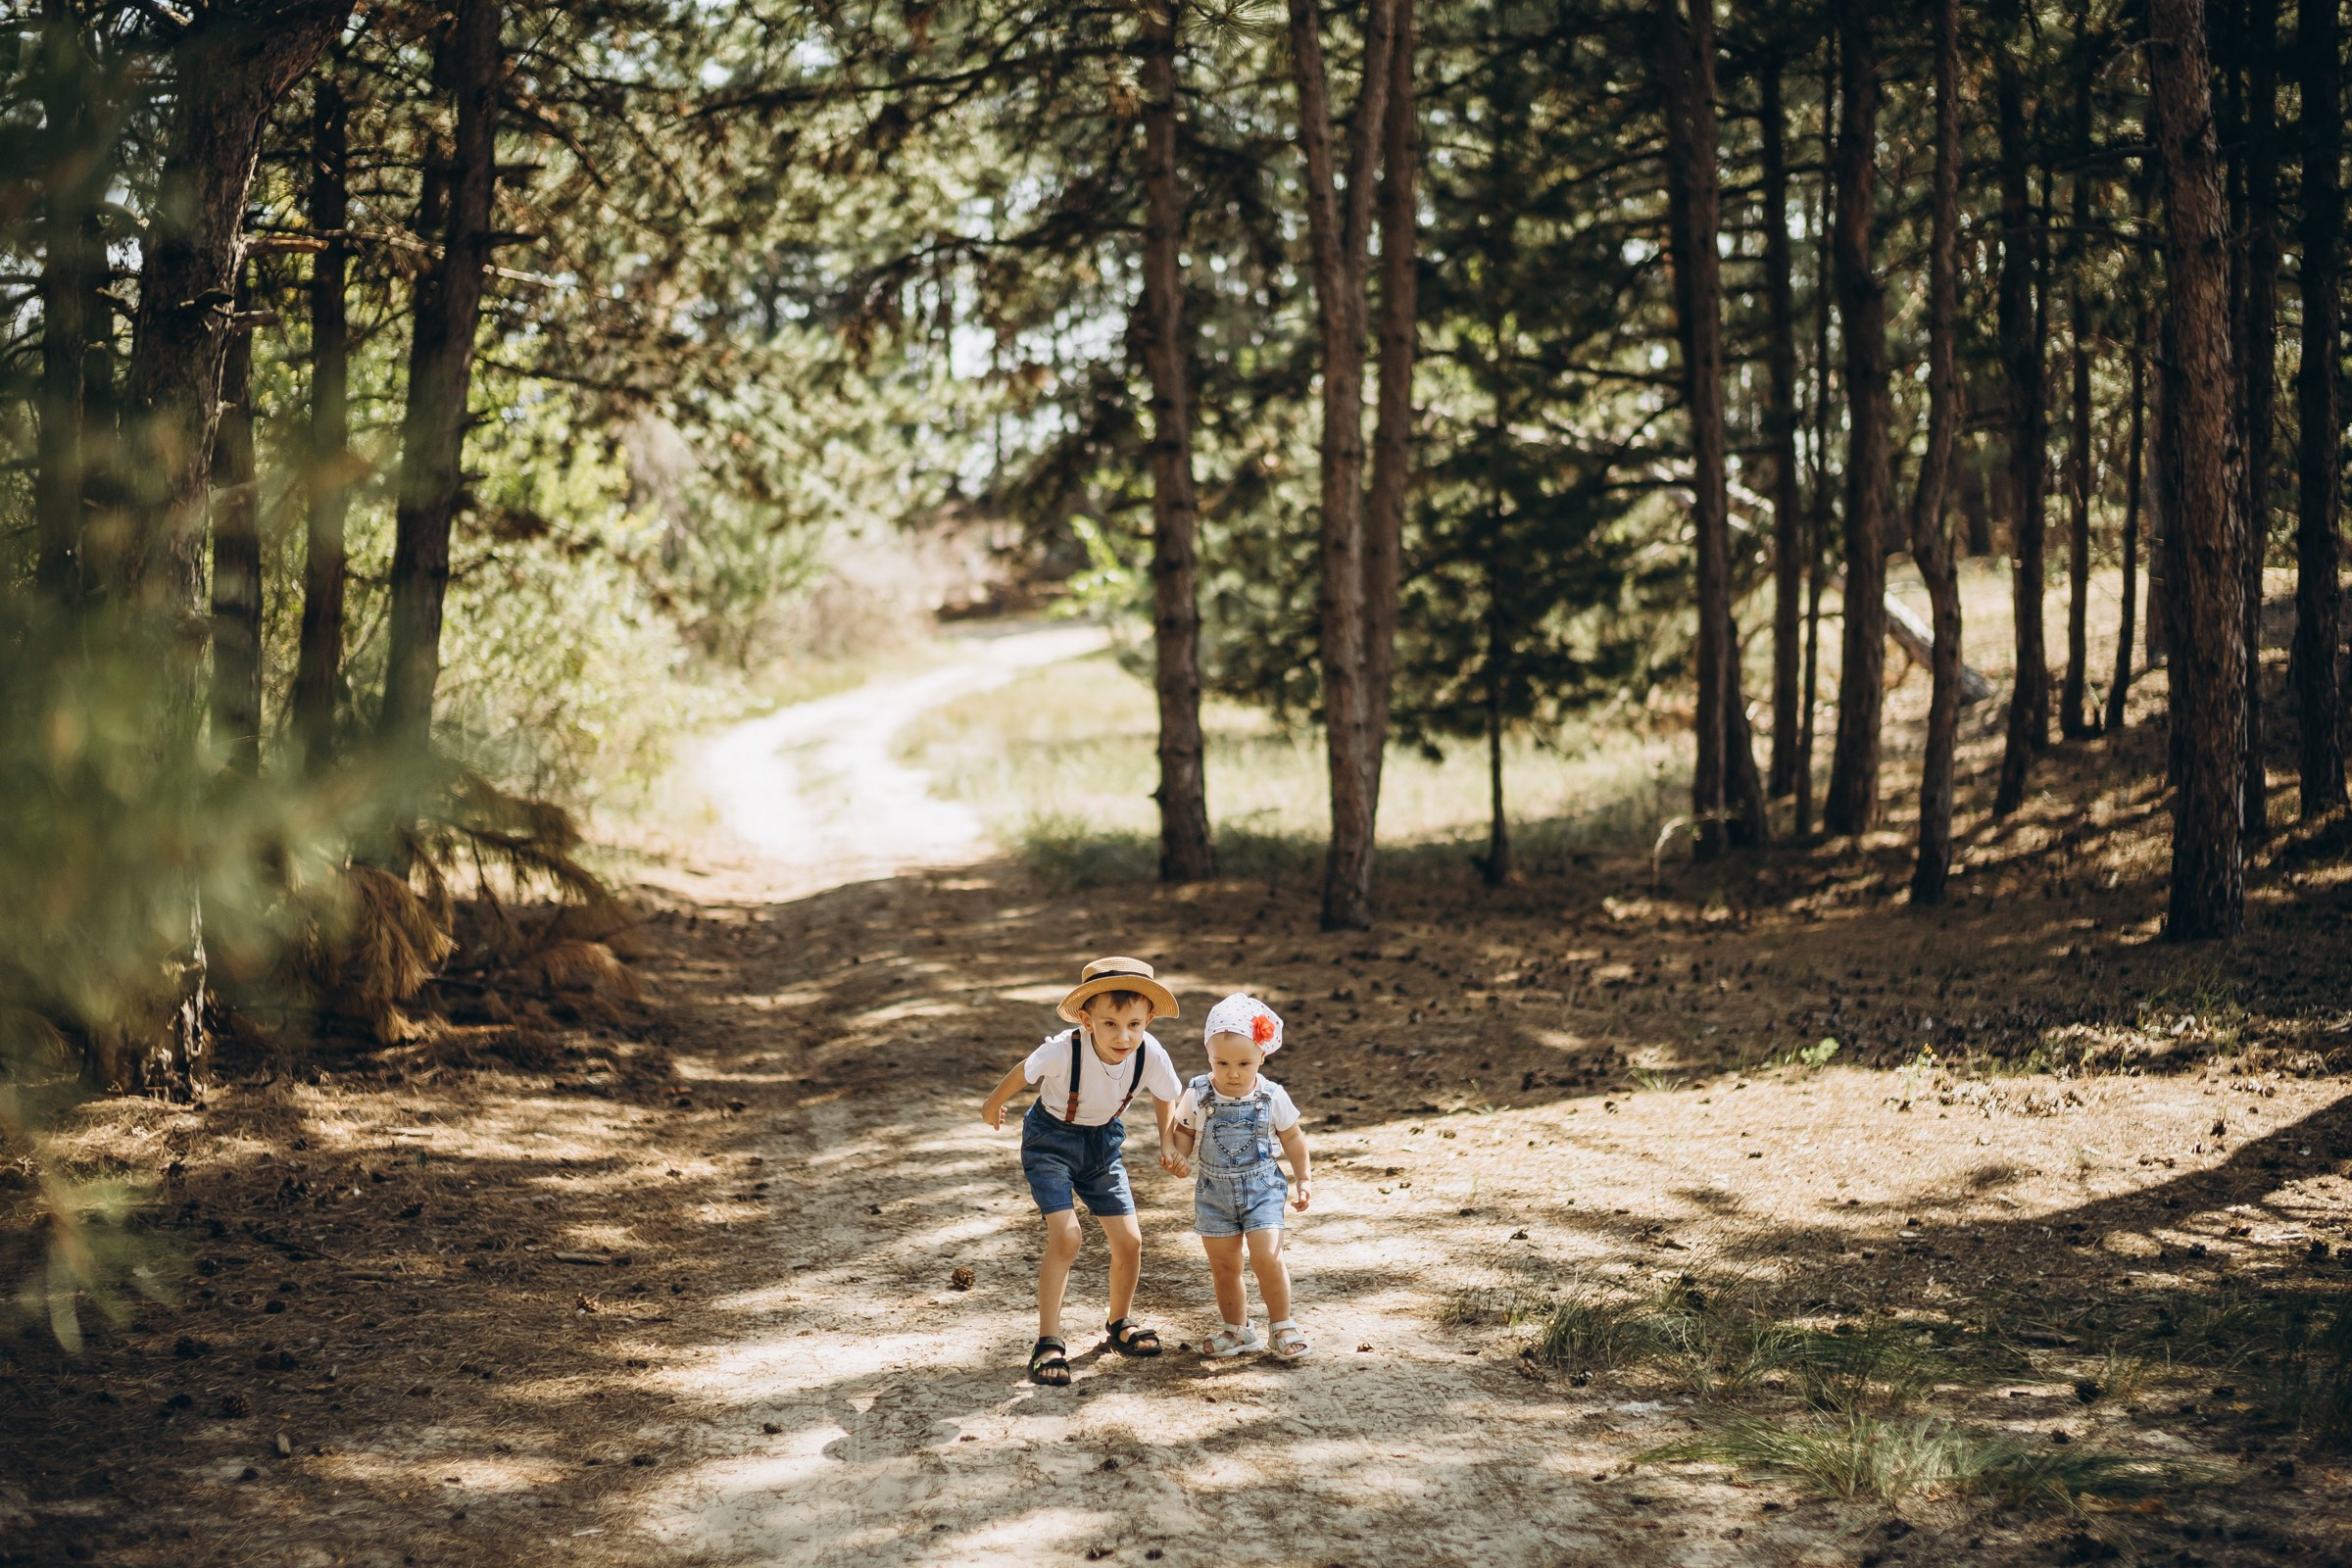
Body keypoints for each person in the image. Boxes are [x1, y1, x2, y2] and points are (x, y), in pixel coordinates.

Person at [979, 956, 1187, 1387]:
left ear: (1149, 1017)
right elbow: (1024, 1071)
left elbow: (1166, 1094)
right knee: (1067, 1236)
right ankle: (1048, 1340)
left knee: (1130, 1240)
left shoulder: (1149, 1052)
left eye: (1134, 1023)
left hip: (1102, 1146)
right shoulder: (1063, 1049)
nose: (1123, 1035)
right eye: (1110, 1023)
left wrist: (1167, 1141)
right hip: (1050, 1142)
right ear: (1086, 1019)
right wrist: (993, 1101)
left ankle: (1119, 1322)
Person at [1163, 993, 1311, 1359]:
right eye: (1221, 1062)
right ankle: (1237, 1329)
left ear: (1262, 1056)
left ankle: (1282, 1326)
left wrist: (1304, 1178)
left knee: (1267, 1258)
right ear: (1208, 1056)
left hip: (1262, 1188)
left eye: (1244, 1063)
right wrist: (1179, 1156)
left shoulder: (1271, 1095)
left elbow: (1293, 1137)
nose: (1232, 1073)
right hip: (1213, 1192)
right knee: (1224, 1265)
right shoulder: (1198, 1092)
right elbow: (1183, 1131)